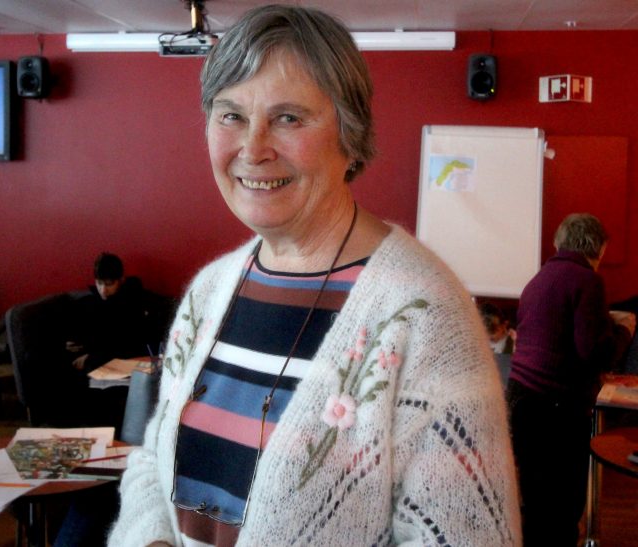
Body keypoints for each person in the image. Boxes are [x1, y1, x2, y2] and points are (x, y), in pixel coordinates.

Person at [108, 5, 521, 546]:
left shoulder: (425, 315)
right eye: (231, 115)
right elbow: (153, 457)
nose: (253, 149)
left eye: (288, 118)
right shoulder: (208, 291)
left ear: (350, 136)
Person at [506, 212, 635, 546]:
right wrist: (624, 329)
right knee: (563, 507)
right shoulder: (587, 281)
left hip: (522, 401)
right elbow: (594, 352)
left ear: (559, 242)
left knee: (536, 502)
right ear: (598, 248)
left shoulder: (539, 279)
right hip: (557, 410)